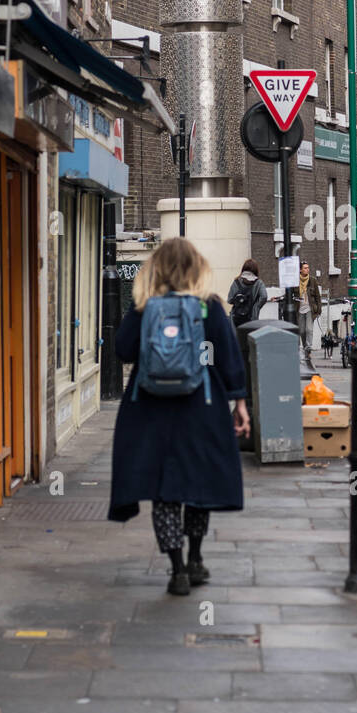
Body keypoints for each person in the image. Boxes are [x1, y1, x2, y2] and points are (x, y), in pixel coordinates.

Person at [109, 237, 251, 596]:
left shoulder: (144, 307)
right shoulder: (208, 307)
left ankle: (176, 569)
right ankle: (196, 559)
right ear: (195, 268)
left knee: (164, 491)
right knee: (196, 486)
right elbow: (228, 358)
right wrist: (240, 404)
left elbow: (123, 351)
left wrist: (136, 311)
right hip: (200, 408)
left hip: (150, 412)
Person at [227, 257, 268, 328]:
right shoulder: (258, 283)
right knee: (250, 337)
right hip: (252, 318)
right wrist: (256, 307)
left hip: (236, 319)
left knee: (238, 337)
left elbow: (230, 300)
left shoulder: (236, 282)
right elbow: (264, 296)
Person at [297, 260, 322, 367]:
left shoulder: (312, 281)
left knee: (309, 329)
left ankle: (308, 349)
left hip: (310, 309)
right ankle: (305, 347)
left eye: (308, 267)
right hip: (299, 309)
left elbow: (318, 296)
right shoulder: (296, 281)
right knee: (302, 331)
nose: (307, 269)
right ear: (300, 270)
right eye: (305, 268)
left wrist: (319, 309)